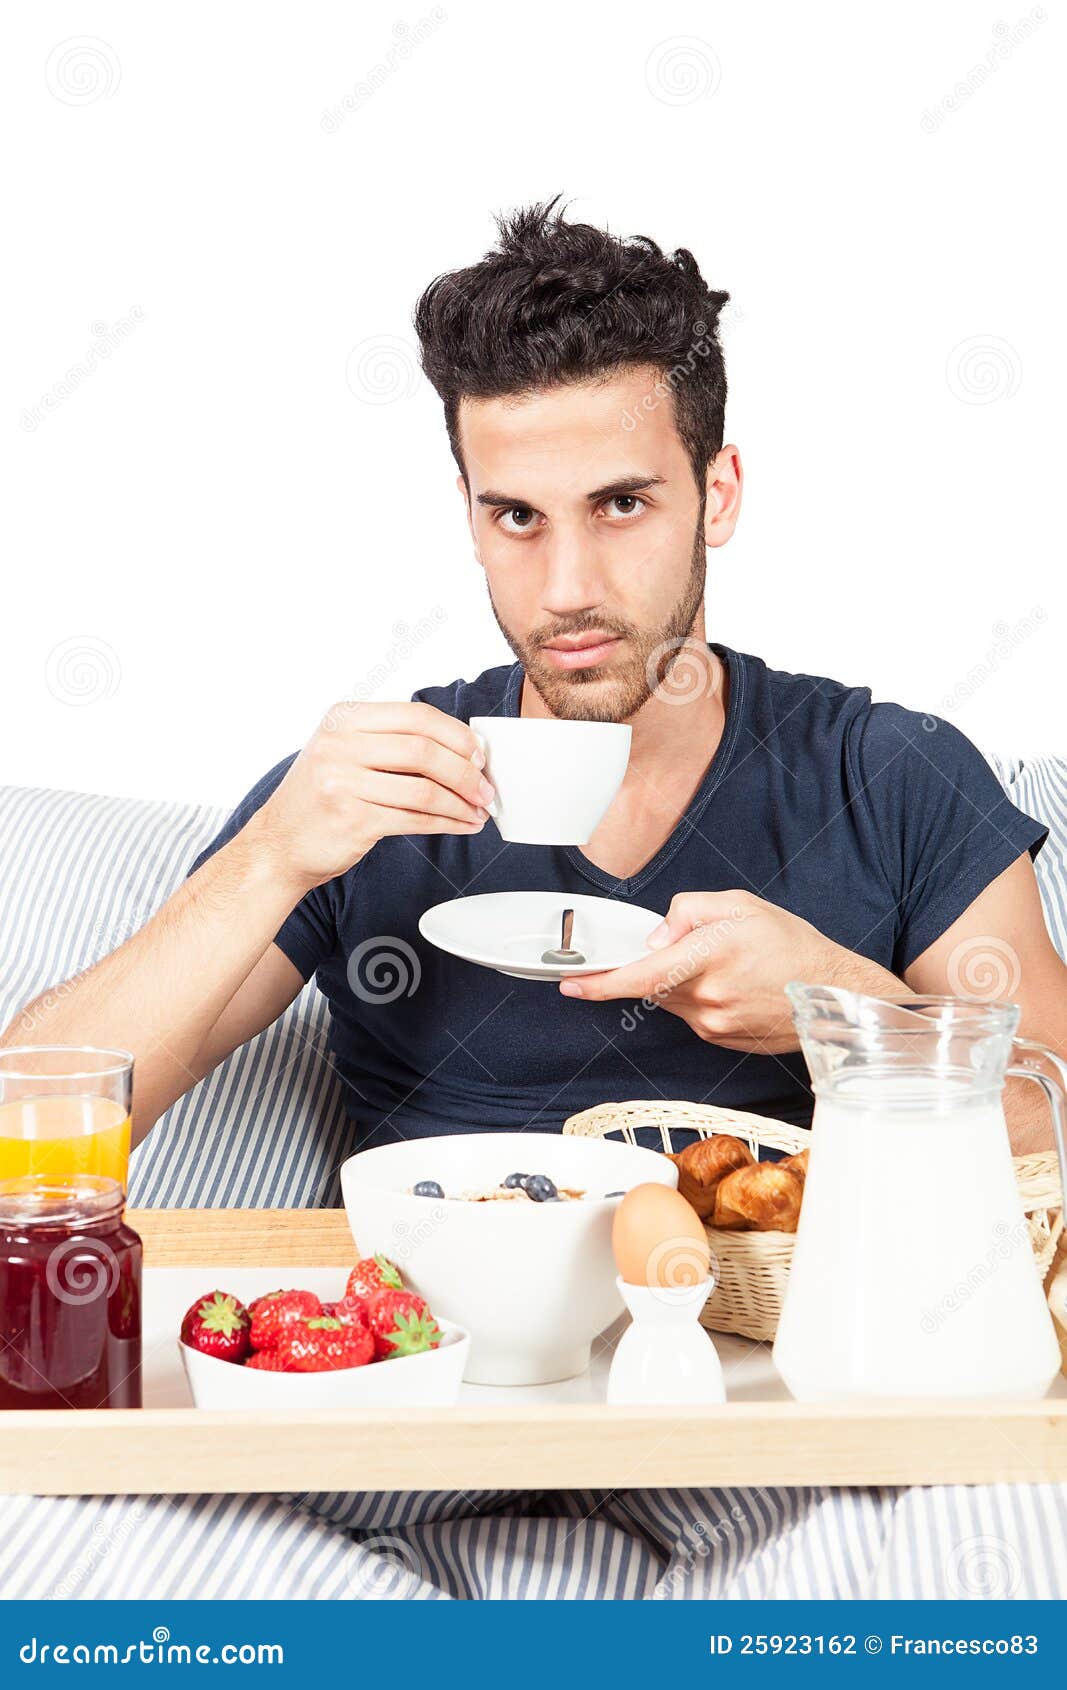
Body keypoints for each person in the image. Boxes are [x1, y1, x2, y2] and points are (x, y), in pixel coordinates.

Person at [5, 198, 1064, 1153]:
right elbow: (27, 1123)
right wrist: (269, 857)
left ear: (719, 493)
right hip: (436, 1351)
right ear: (466, 512)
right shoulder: (367, 799)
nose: (564, 589)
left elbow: (1055, 1120)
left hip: (784, 1337)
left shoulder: (885, 775)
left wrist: (839, 1019)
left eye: (620, 505)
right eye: (516, 515)